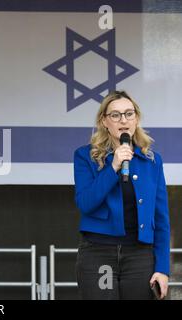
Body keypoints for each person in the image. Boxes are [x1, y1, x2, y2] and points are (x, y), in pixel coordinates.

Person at [74, 90, 170, 300]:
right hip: (99, 254)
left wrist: (163, 268)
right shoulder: (85, 156)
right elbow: (86, 204)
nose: (123, 120)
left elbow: (161, 218)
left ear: (136, 119)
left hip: (139, 255)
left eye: (129, 113)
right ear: (104, 121)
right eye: (115, 115)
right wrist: (113, 167)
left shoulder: (152, 160)